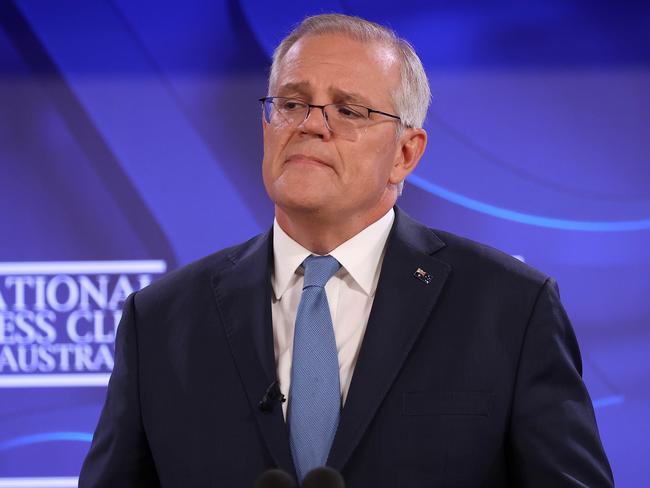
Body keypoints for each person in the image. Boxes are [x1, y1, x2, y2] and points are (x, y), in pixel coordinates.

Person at [79, 13, 614, 487]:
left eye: (350, 110)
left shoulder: (511, 308)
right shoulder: (161, 319)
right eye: (291, 103)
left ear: (406, 153)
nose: (311, 124)